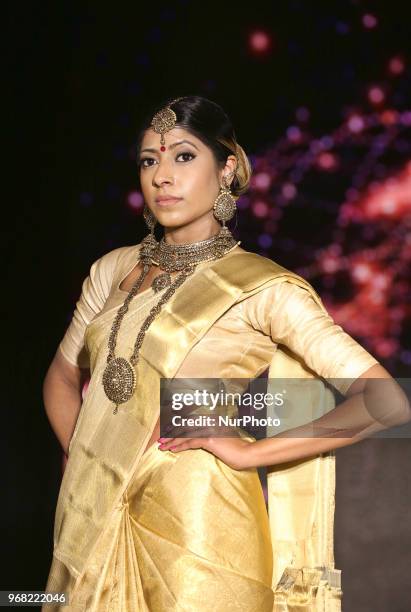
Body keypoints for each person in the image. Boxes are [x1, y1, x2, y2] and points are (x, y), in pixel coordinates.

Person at [42, 96, 410, 611]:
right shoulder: (111, 270)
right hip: (92, 513)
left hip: (200, 531)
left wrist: (249, 451)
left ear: (227, 168)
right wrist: (90, 460)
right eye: (150, 159)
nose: (163, 176)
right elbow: (60, 378)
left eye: (184, 157)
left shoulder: (264, 287)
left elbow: (387, 402)